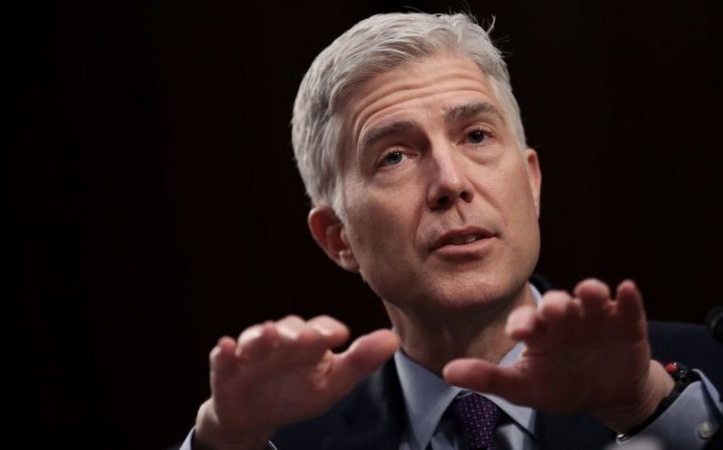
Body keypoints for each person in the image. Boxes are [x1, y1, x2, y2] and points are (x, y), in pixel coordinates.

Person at [182, 12, 723, 449]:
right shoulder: (275, 442)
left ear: (531, 184)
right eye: (395, 155)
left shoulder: (700, 374)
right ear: (338, 237)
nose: (451, 182)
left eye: (476, 135)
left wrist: (645, 407)